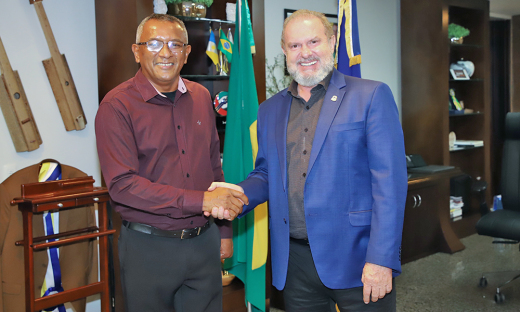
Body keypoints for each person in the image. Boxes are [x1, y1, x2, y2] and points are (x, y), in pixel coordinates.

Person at [209, 9, 407, 312]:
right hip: (295, 263)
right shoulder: (269, 110)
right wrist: (237, 195)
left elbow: (390, 185)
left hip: (357, 257)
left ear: (332, 40)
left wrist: (381, 258)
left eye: (313, 42)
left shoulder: (371, 96)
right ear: (285, 50)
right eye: (295, 45)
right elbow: (265, 173)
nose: (305, 53)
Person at [95, 14, 248, 312]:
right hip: (149, 249)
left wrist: (225, 232)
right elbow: (123, 187)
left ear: (187, 53)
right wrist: (201, 199)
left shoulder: (202, 96)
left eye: (175, 44)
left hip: (204, 242)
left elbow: (214, 169)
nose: (165, 52)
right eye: (154, 43)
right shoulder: (116, 107)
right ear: (136, 51)